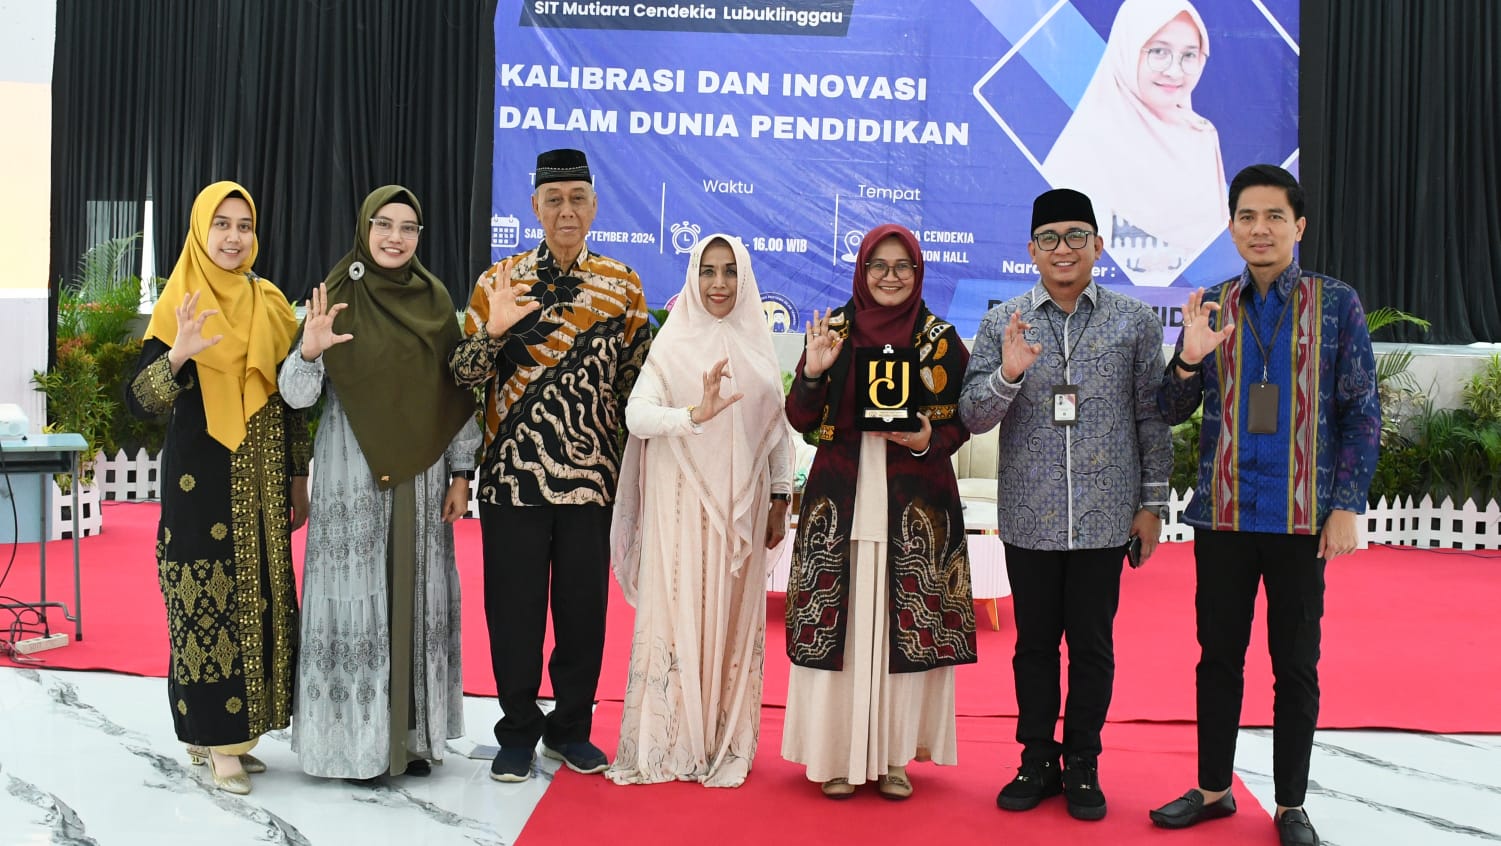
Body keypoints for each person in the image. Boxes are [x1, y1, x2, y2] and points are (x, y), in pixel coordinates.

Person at [1148, 165, 1380, 846]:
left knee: (1294, 664)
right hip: (1222, 513)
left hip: (1300, 516)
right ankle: (1214, 789)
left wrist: (1346, 504)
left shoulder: (1335, 304)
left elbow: (1361, 410)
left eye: (1273, 217)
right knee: (1216, 656)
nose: (1259, 229)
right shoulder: (1212, 306)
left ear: (1297, 226)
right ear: (1230, 226)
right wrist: (1188, 360)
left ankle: (1288, 806)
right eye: (1246, 217)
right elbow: (1166, 408)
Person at [959, 188, 1172, 821]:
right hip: (1031, 514)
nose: (1063, 249)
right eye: (1049, 238)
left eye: (1076, 235)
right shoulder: (1005, 323)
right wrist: (1009, 373)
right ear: (1031, 250)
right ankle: (1035, 759)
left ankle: (1083, 762)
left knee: (1093, 646)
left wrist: (1151, 503)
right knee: (1033, 648)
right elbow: (972, 416)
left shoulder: (1133, 322)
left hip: (1106, 518)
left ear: (1098, 246)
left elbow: (1151, 418)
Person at [449, 148, 651, 782]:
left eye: (578, 199)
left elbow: (635, 386)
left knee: (583, 614)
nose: (567, 210)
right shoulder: (498, 282)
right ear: (534, 207)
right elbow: (463, 378)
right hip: (511, 477)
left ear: (594, 206)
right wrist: (491, 333)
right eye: (554, 200)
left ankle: (569, 730)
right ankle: (515, 731)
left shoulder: (623, 285)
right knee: (513, 614)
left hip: (592, 481)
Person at [278, 185, 480, 780]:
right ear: (364, 228)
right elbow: (295, 396)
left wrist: (462, 473)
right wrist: (309, 352)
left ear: (421, 236)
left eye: (408, 227)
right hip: (350, 471)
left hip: (420, 474)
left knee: (415, 594)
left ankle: (411, 739)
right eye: (384, 224)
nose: (395, 237)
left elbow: (457, 395)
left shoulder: (435, 299)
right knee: (357, 595)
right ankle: (352, 742)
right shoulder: (334, 296)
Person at [781, 224, 977, 800]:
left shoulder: (940, 339)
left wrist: (923, 439)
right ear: (862, 272)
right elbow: (799, 418)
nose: (890, 277)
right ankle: (835, 753)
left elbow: (961, 420)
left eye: (903, 267)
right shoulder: (833, 331)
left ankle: (895, 755)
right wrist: (814, 372)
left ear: (918, 274)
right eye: (879, 267)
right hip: (839, 502)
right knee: (843, 626)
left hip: (916, 506)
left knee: (903, 626)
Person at [126, 181, 307, 795]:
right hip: (199, 485)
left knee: (261, 603)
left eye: (244, 225)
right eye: (221, 225)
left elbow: (290, 405)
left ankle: (243, 732)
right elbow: (140, 400)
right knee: (205, 602)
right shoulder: (181, 301)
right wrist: (178, 355)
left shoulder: (272, 303)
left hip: (260, 482)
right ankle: (211, 739)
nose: (233, 237)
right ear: (201, 231)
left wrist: (297, 478)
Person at [606, 235, 793, 788]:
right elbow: (637, 414)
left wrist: (781, 497)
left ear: (745, 278)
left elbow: (776, 429)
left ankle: (722, 737)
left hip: (745, 505)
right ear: (692, 275)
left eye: (730, 272)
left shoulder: (757, 343)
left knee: (732, 616)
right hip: (682, 504)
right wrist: (694, 414)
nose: (718, 284)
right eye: (708, 271)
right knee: (681, 607)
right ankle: (674, 740)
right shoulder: (674, 341)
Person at [1043, 0, 1227, 285]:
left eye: (1189, 55)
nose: (1175, 71)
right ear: (1125, 50)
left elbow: (1218, 252)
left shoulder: (1202, 137)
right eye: (1158, 52)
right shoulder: (1085, 144)